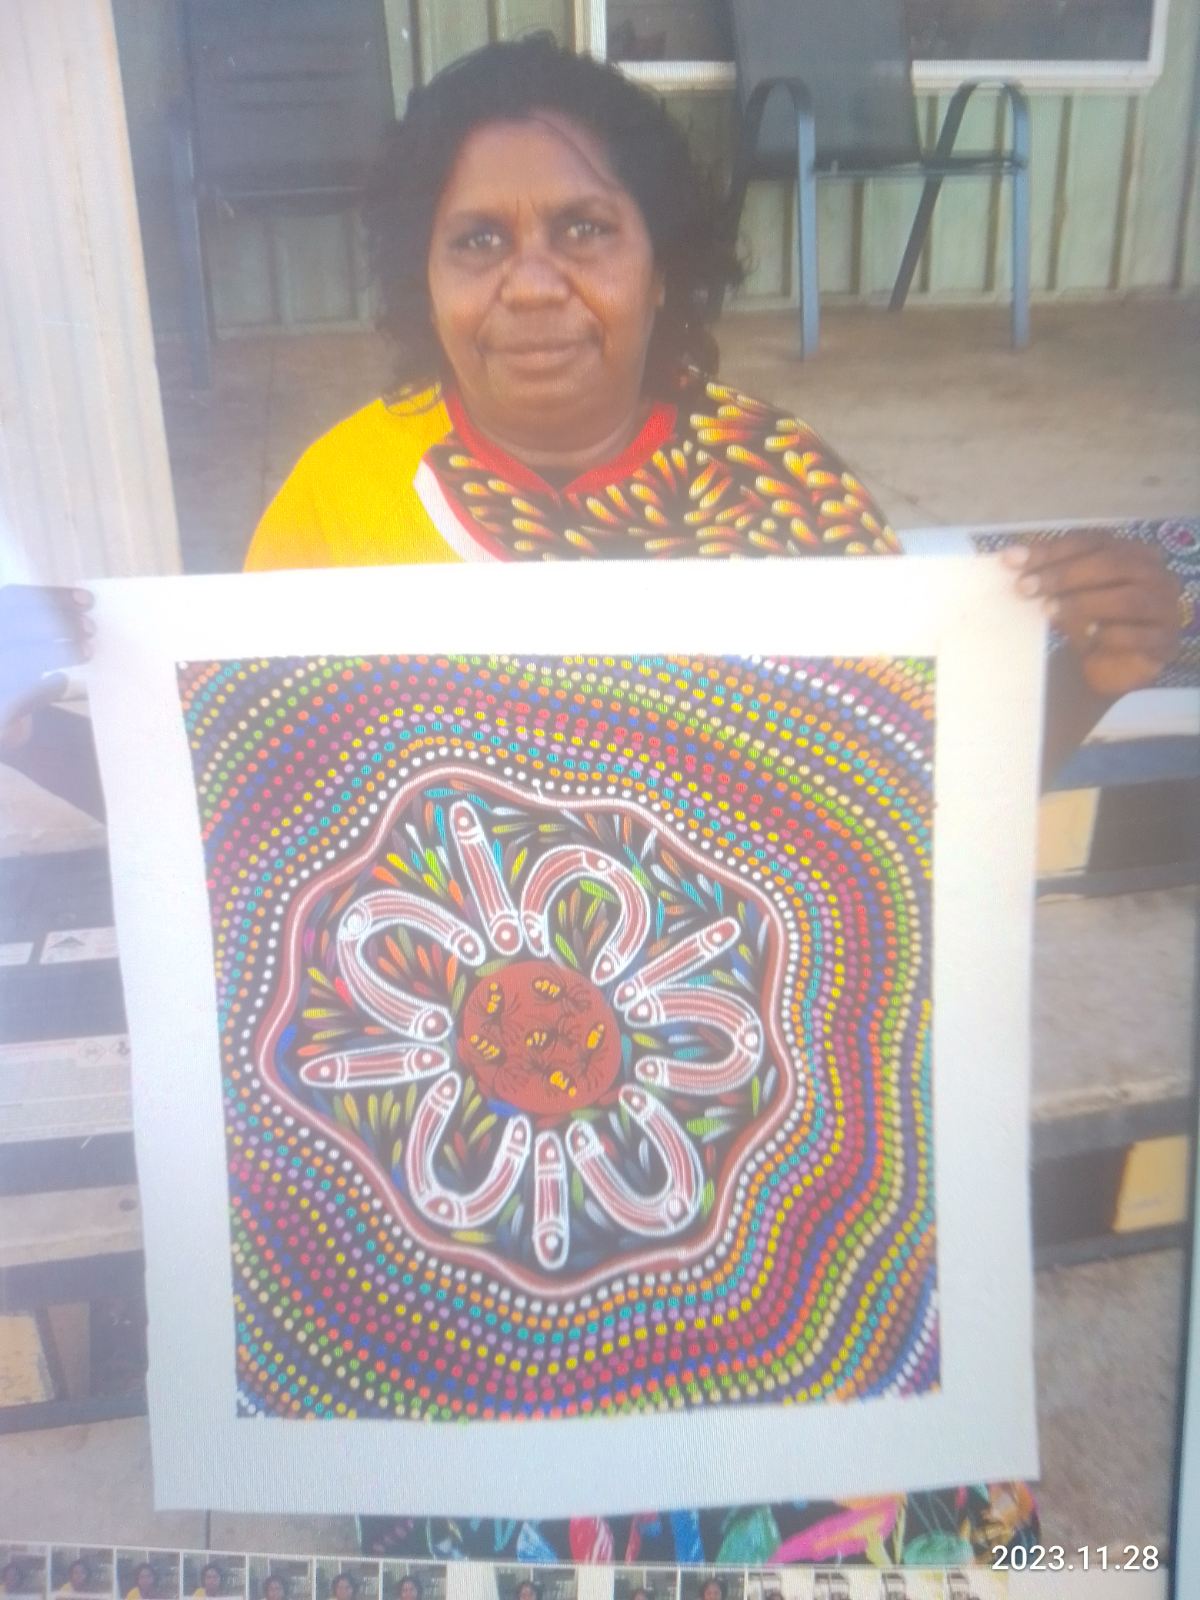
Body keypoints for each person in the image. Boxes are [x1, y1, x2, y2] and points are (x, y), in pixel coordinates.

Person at [0, 31, 1181, 1575]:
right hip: (466, 1238)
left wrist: (1085, 681)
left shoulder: (784, 497)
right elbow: (247, 835)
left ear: (660, 258)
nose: (533, 283)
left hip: (767, 1194)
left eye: (583, 229)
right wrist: (37, 700)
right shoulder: (344, 504)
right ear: (421, 277)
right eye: (477, 241)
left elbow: (892, 832)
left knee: (890, 1536)